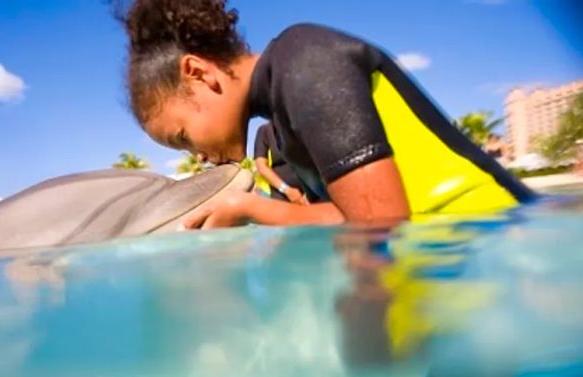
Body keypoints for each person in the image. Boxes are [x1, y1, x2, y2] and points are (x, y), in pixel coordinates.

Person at [115, 0, 536, 229]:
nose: (198, 157)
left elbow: (380, 221)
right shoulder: (278, 118)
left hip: (505, 240)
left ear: (198, 74)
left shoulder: (304, 62)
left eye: (183, 136)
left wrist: (253, 209)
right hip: (461, 252)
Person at [253, 123, 307, 204]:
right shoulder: (265, 130)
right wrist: (287, 190)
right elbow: (261, 166)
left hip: (311, 190)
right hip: (281, 192)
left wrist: (311, 193)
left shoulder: (302, 126)